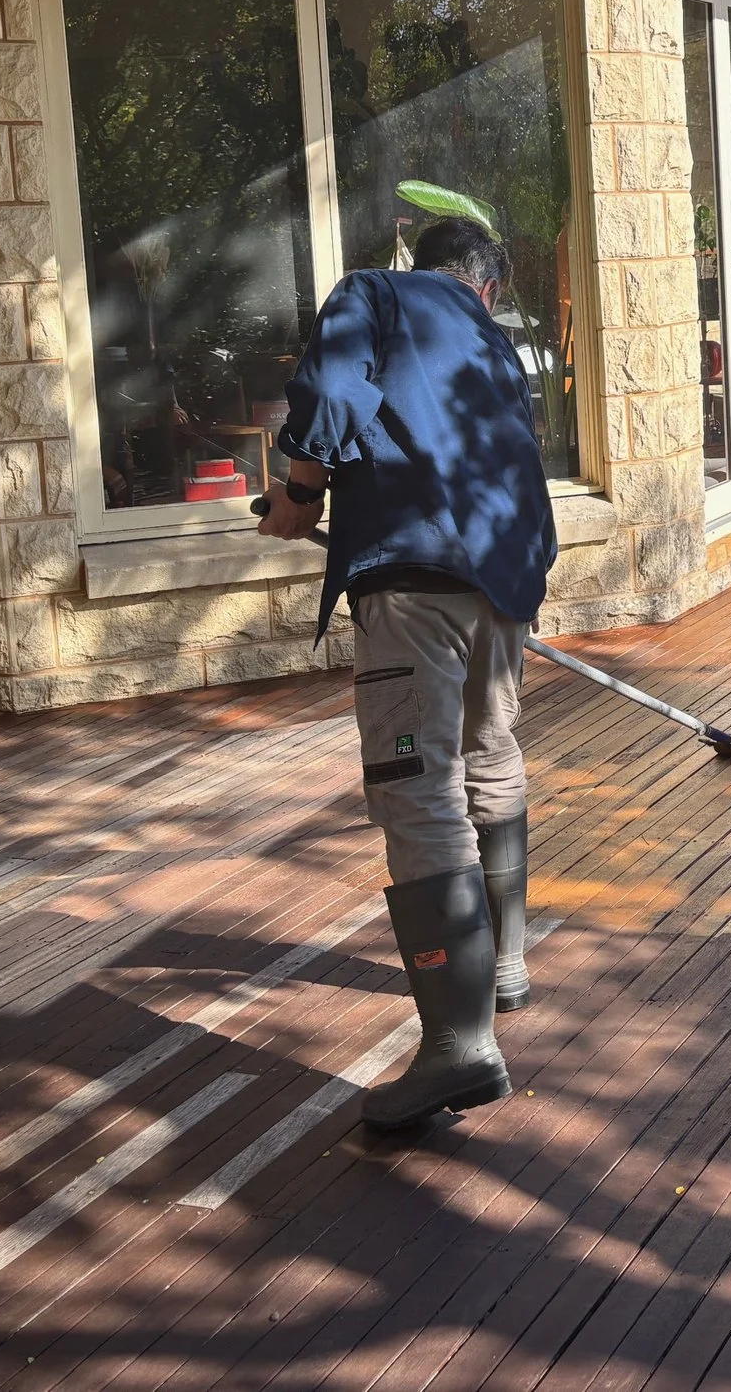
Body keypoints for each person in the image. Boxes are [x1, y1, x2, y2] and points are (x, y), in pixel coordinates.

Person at [257, 217, 558, 1130]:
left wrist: (297, 495)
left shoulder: (374, 291)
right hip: (503, 581)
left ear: (417, 264)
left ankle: (459, 1047)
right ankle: (503, 968)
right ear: (487, 287)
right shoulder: (495, 344)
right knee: (489, 752)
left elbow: (330, 392)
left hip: (415, 580)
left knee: (419, 788)